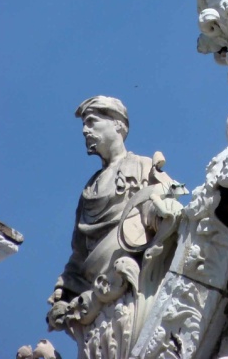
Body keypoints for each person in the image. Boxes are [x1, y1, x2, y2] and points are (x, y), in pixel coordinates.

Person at [47, 97, 181, 338]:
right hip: (94, 291)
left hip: (134, 280)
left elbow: (171, 203)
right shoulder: (89, 189)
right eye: (84, 125)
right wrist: (64, 287)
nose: (85, 130)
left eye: (91, 122)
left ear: (118, 125)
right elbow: (79, 251)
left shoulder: (143, 165)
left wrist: (156, 207)